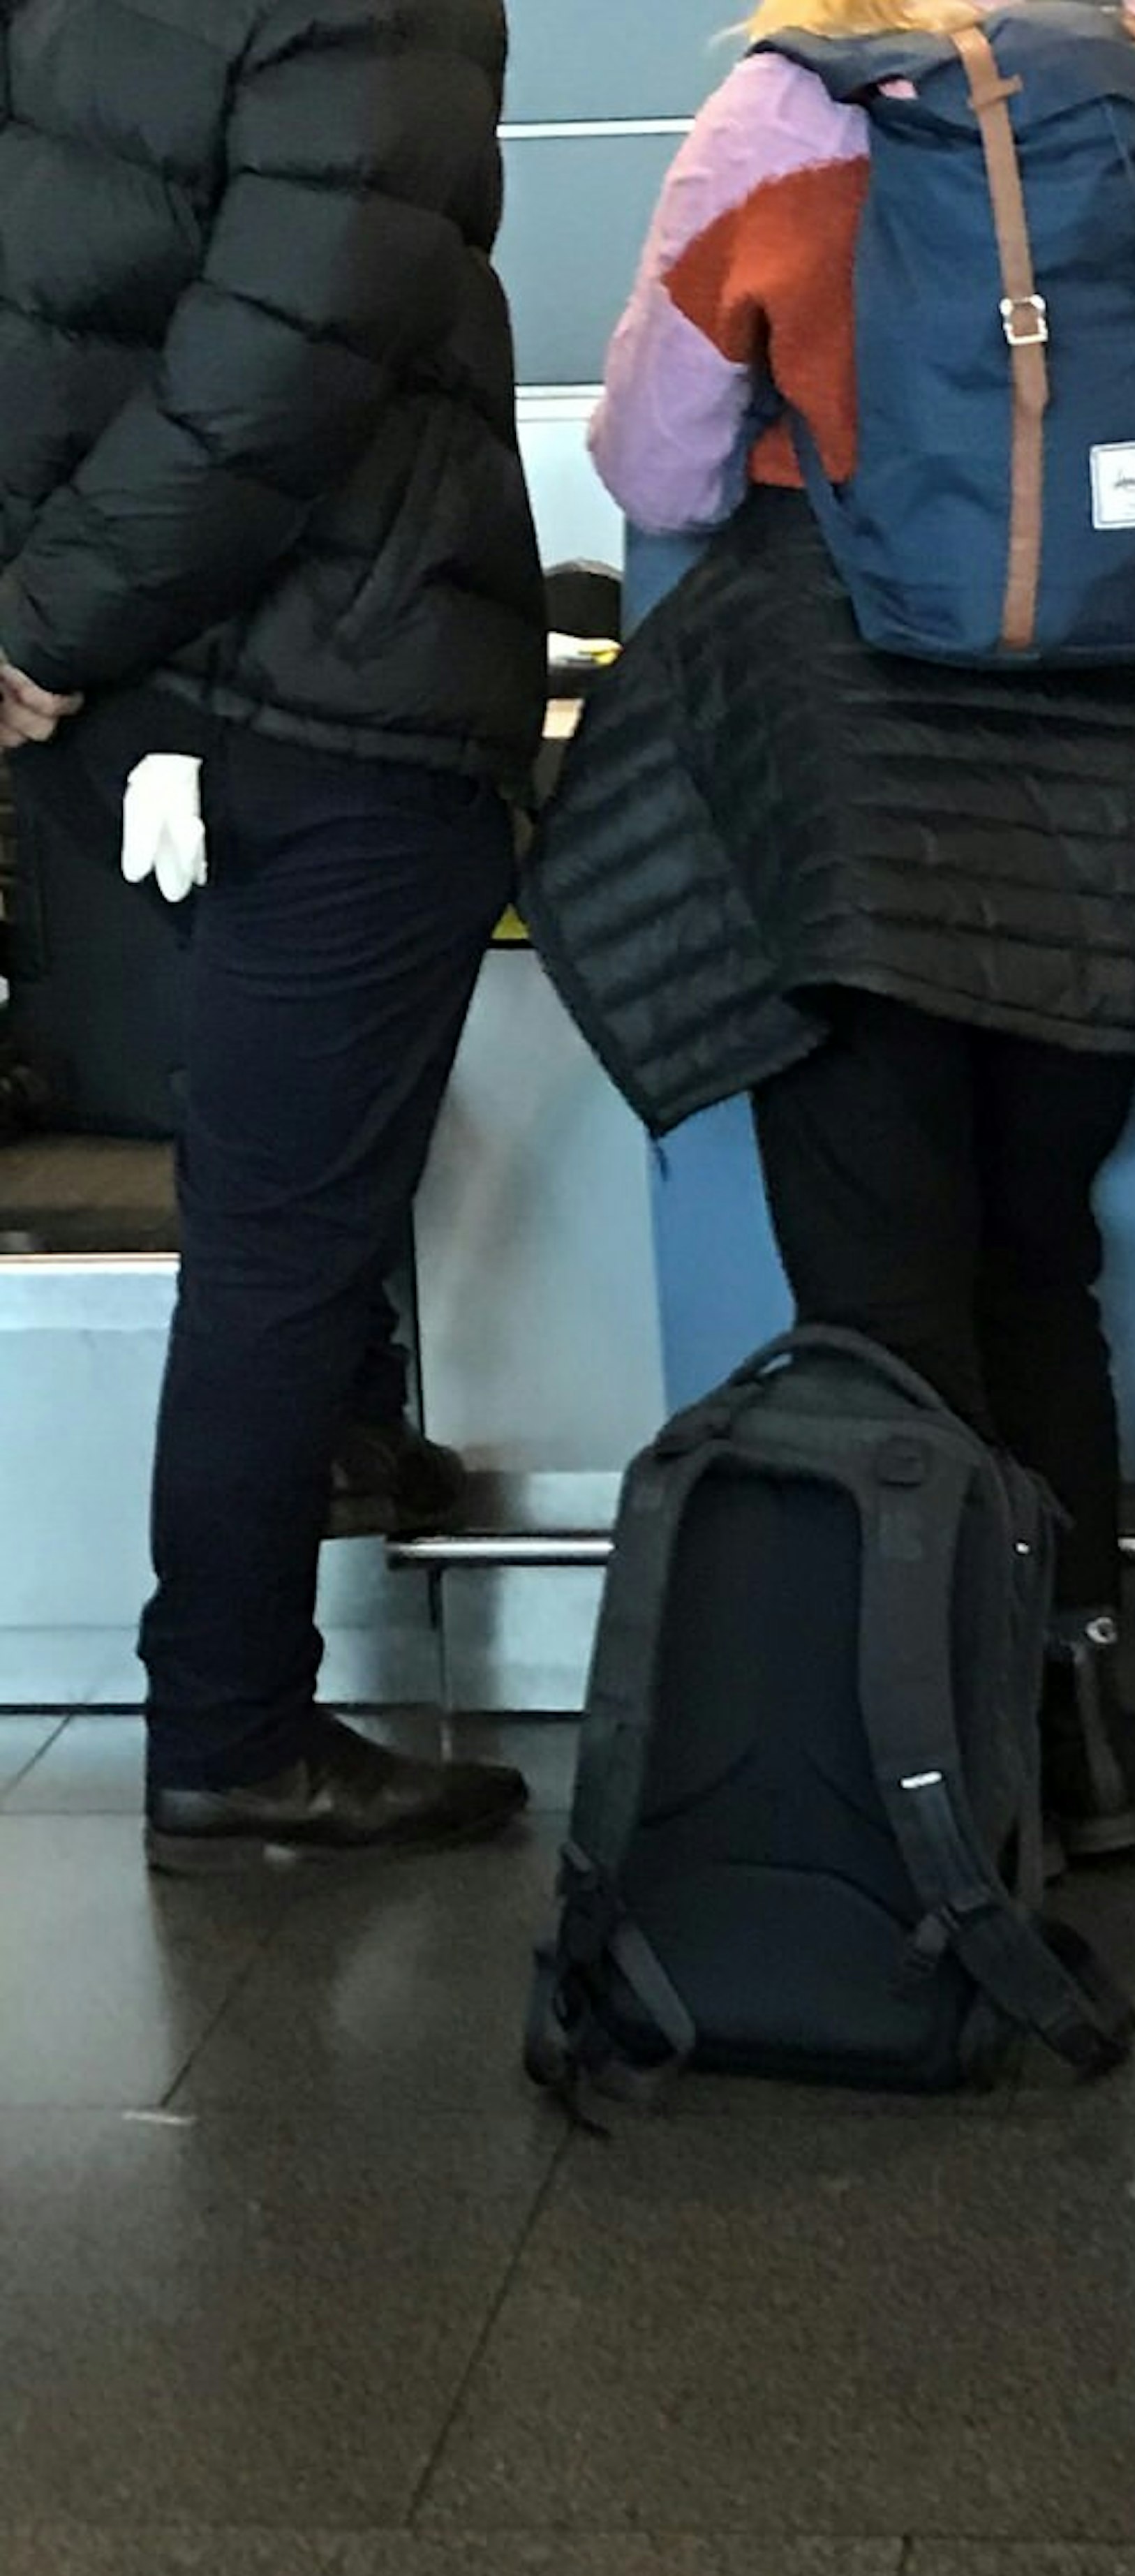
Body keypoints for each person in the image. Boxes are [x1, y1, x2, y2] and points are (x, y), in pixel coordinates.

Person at [530, 0, 1135, 1856]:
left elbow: (656, 467)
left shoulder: (783, 113)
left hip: (860, 770)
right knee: (1043, 1268)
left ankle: (921, 1780)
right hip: (1123, 772)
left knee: (881, 1297)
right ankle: (1072, 1738)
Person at [0, 0, 547, 1869]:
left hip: (138, 705)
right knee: (279, 1240)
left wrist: (47, 624)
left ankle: (343, 1450)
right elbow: (291, 350)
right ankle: (233, 1729)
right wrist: (42, 623)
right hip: (328, 685)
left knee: (275, 1186)